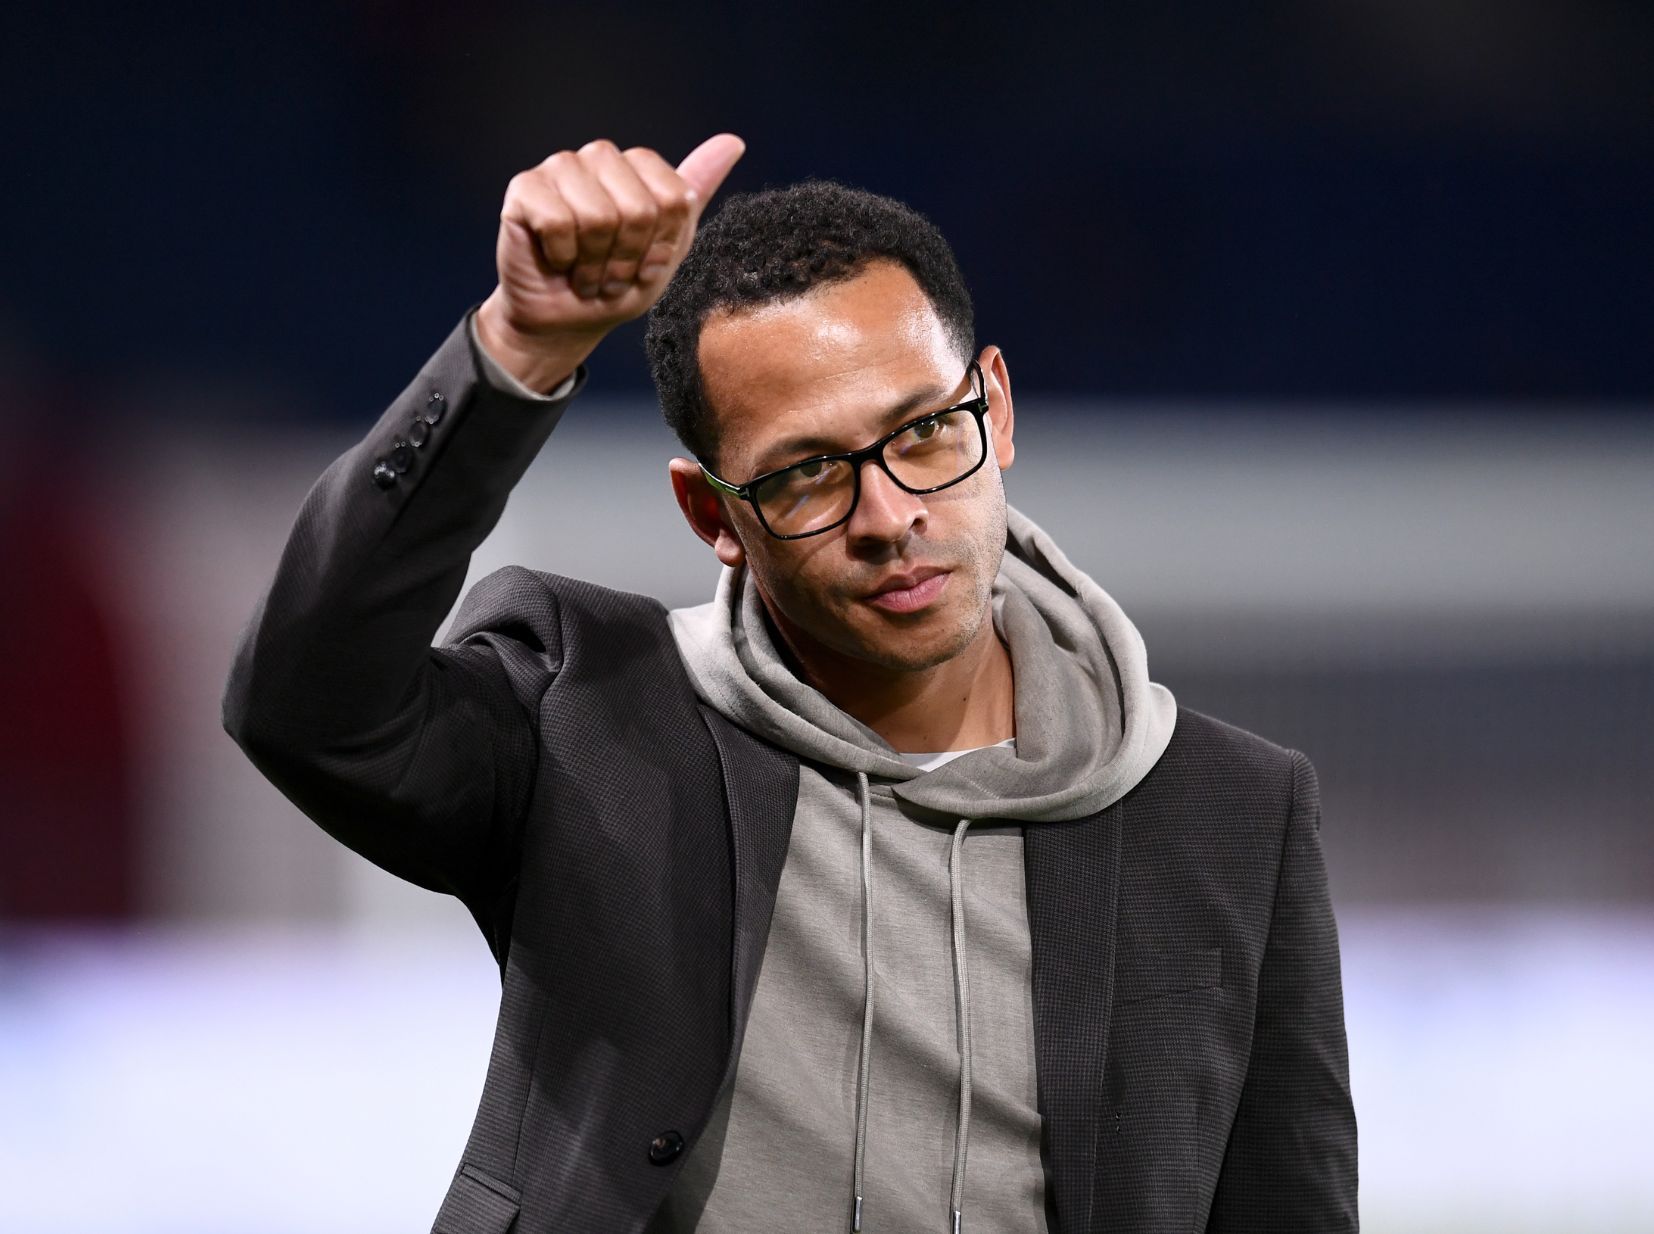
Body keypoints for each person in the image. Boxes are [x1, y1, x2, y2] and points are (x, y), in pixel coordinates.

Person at [222, 133, 1357, 1233]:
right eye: (810, 473)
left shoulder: (1231, 813)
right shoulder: (593, 718)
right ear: (712, 515)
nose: (889, 516)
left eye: (922, 433)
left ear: (994, 407)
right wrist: (518, 346)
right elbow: (305, 707)